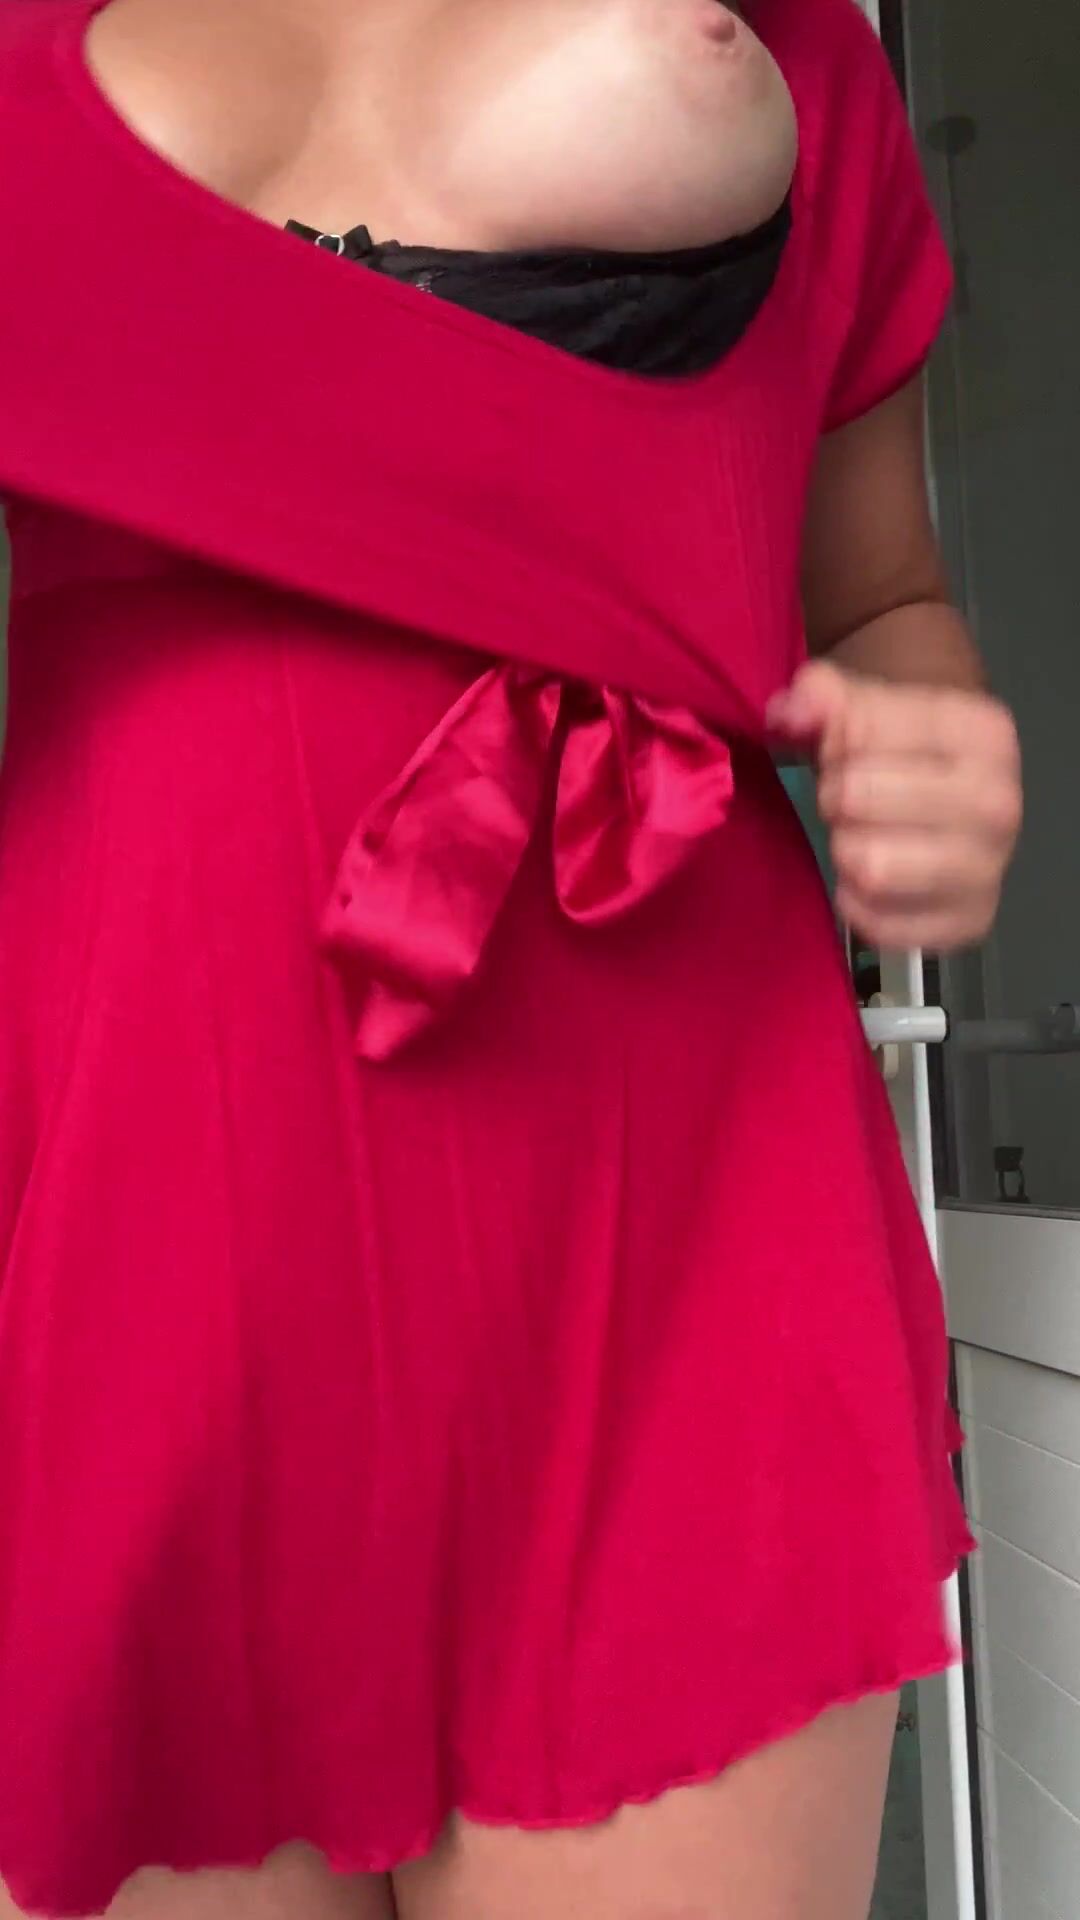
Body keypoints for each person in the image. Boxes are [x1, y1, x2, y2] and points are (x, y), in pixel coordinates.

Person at [0, 2, 1021, 1917]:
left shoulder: (815, 57)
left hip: (670, 1199)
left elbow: (880, 594)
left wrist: (929, 728)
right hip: (134, 1185)